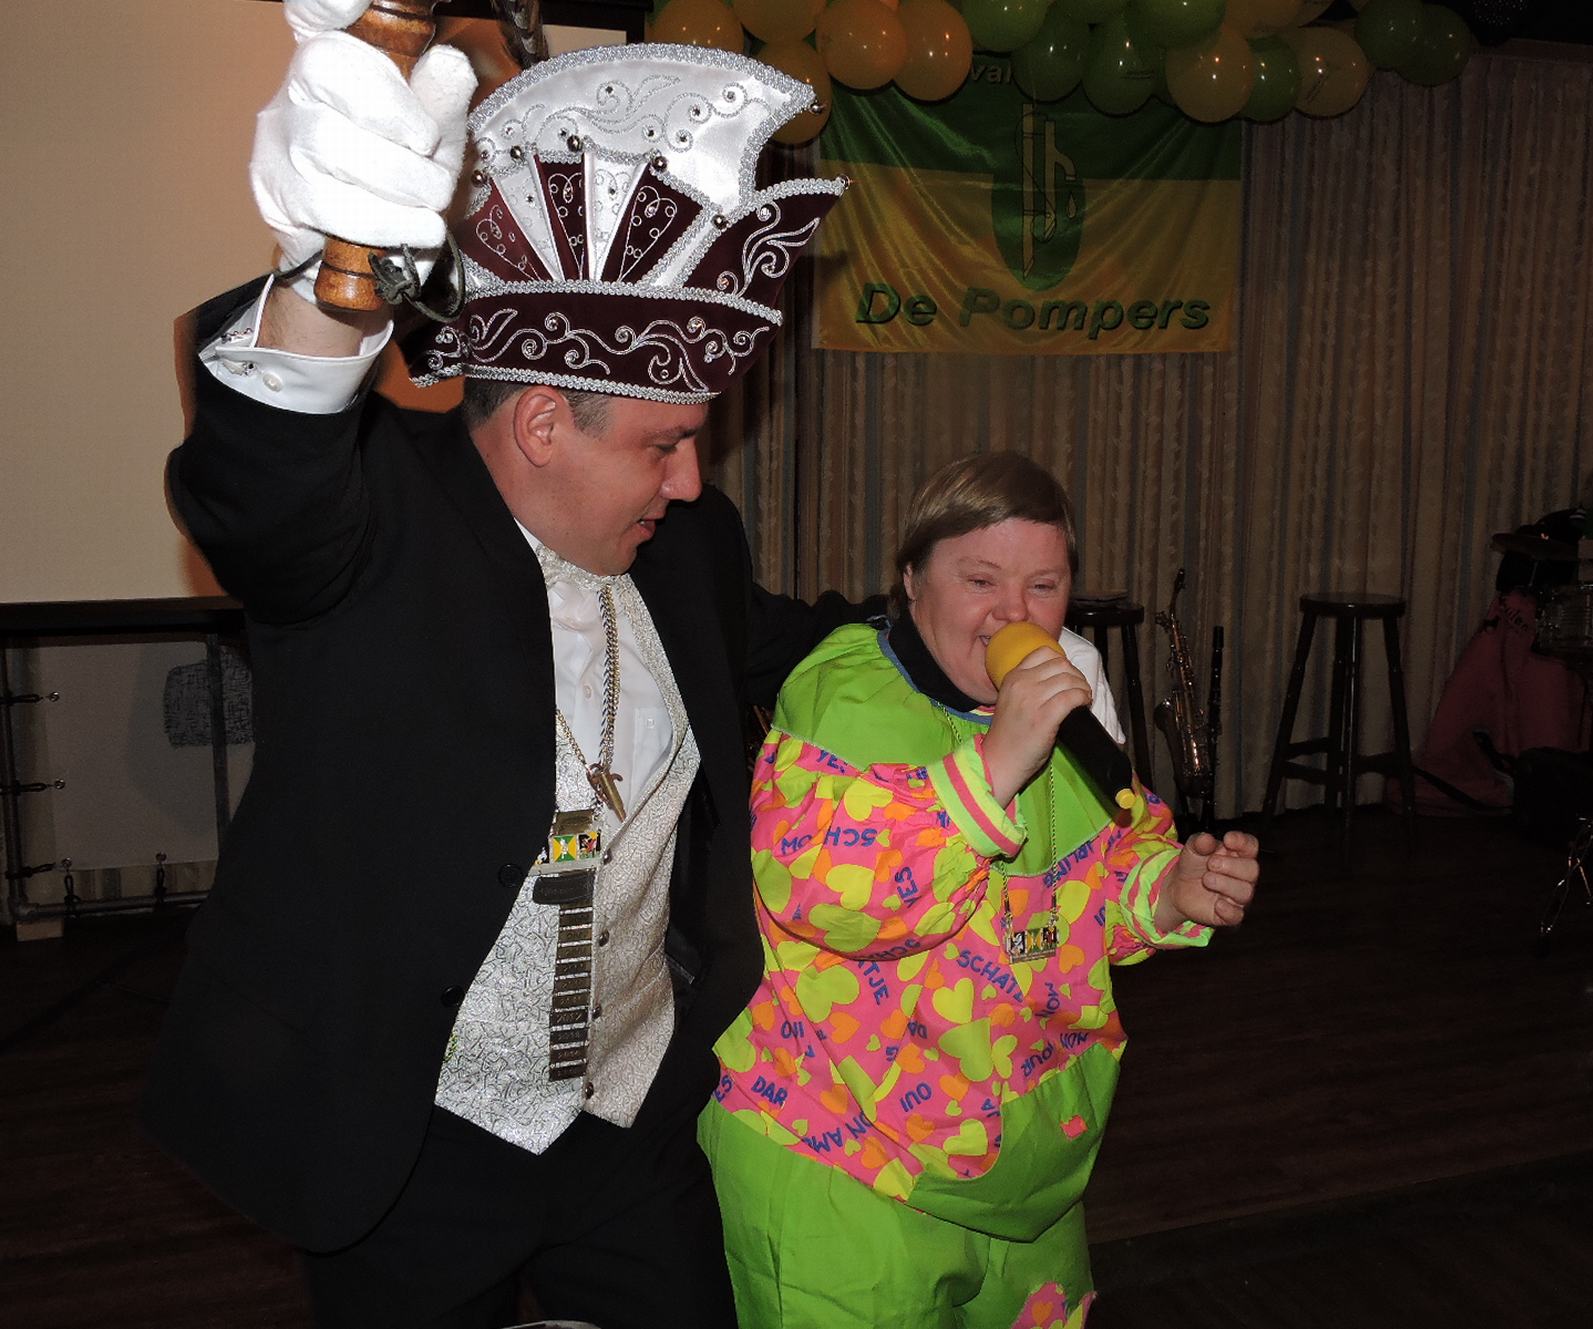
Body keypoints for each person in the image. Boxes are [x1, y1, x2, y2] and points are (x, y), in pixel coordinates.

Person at [142, 9, 860, 1327]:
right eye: (662, 446)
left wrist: (967, 631)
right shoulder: (380, 525)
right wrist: (328, 282)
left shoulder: (688, 543)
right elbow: (262, 488)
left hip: (633, 1118)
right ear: (539, 422)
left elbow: (791, 635)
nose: (690, 482)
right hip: (412, 1145)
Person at [699, 453, 1261, 1328]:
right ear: (911, 579)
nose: (1014, 614)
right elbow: (830, 894)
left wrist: (1169, 891)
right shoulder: (841, 692)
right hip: (839, 1149)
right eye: (980, 580)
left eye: (1044, 585)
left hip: (1013, 1154)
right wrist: (997, 763)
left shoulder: (1063, 695)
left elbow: (1096, 877)